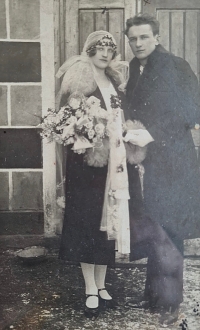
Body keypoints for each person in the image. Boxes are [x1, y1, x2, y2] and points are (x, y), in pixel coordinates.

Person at [56, 30, 143, 319]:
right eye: (99, 48)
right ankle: (90, 288)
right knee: (88, 222)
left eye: (109, 48)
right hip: (87, 166)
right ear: (89, 50)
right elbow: (66, 124)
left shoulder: (115, 82)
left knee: (108, 223)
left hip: (114, 163)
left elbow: (119, 118)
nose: (105, 53)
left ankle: (103, 285)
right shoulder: (78, 80)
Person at [124, 13, 200, 325]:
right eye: (133, 39)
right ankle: (155, 292)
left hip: (175, 158)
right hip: (149, 159)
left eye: (144, 37)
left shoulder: (176, 65)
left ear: (157, 37)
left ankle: (169, 299)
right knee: (155, 224)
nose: (138, 43)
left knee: (170, 226)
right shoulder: (133, 68)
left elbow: (191, 110)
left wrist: (153, 133)